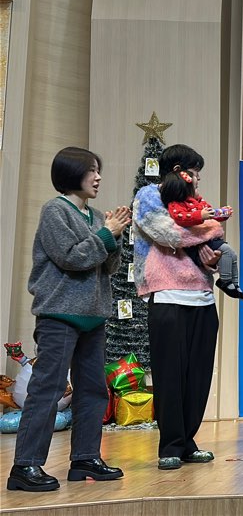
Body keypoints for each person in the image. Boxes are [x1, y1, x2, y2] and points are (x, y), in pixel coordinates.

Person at [7, 148, 130, 492]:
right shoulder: (55, 210)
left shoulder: (96, 216)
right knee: (47, 390)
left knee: (93, 390)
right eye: (91, 170)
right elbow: (72, 258)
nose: (98, 177)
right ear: (71, 173)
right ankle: (25, 466)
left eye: (98, 170)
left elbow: (109, 266)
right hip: (59, 315)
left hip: (94, 316)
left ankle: (85, 459)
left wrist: (115, 235)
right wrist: (106, 233)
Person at [133, 144, 227, 470]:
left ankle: (188, 442)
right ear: (178, 171)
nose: (198, 179)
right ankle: (170, 445)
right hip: (167, 296)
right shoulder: (149, 195)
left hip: (202, 296)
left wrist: (212, 256)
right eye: (195, 172)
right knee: (170, 375)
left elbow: (212, 239)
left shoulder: (196, 203)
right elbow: (169, 233)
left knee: (198, 376)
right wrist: (209, 227)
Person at [160, 169, 243, 301]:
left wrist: (223, 213)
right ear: (183, 190)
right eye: (195, 187)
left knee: (232, 254)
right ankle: (225, 281)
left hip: (207, 237)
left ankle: (235, 284)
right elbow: (180, 218)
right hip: (197, 241)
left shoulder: (199, 202)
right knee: (227, 252)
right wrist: (200, 215)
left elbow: (212, 214)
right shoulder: (176, 204)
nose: (198, 190)